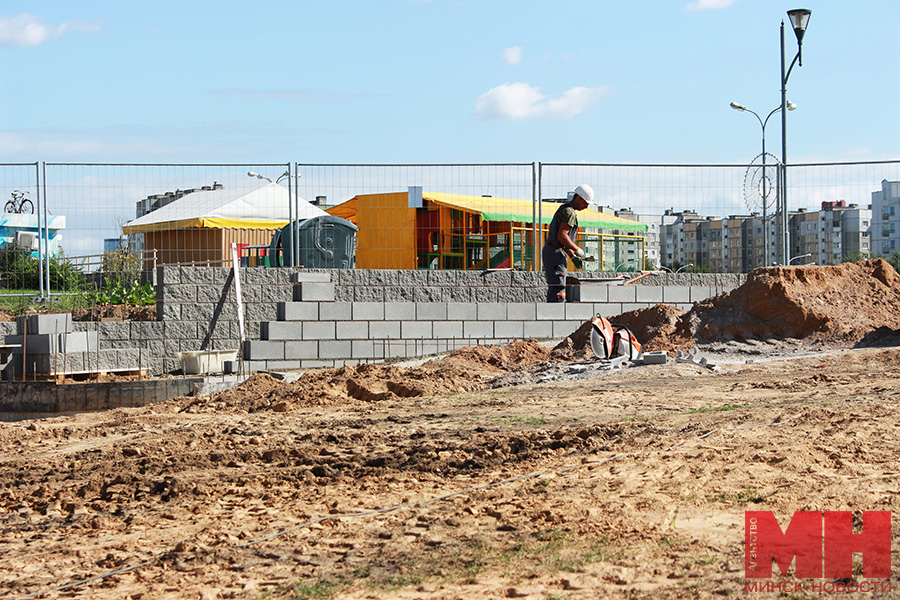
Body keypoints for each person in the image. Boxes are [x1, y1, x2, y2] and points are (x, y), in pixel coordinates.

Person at [541, 184, 593, 302]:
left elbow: (561, 241)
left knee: (556, 287)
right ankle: (557, 315)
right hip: (555, 253)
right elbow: (562, 236)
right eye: (585, 203)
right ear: (578, 198)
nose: (586, 206)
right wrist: (577, 249)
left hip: (554, 251)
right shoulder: (569, 213)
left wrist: (572, 256)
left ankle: (554, 314)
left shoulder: (565, 209)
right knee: (558, 288)